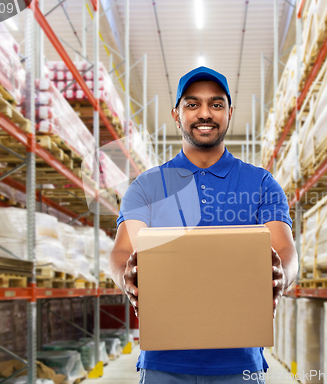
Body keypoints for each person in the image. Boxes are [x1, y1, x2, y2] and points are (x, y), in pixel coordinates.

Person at [110, 66, 298, 383]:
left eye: (216, 104)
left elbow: (284, 249)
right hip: (163, 363)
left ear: (229, 112)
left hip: (240, 363)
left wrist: (283, 276)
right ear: (176, 113)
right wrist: (126, 276)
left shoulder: (261, 183)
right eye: (192, 104)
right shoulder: (148, 186)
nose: (205, 114)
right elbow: (122, 251)